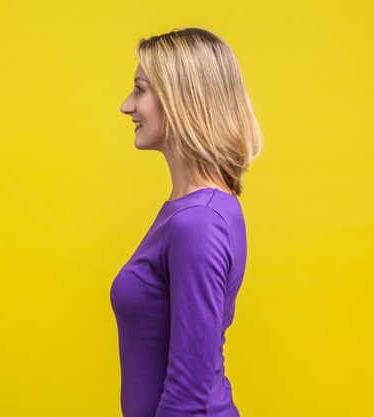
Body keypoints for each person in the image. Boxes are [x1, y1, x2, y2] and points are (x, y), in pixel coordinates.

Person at [110, 27, 263, 417]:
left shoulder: (198, 221)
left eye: (140, 89)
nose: (127, 106)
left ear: (181, 100)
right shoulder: (196, 210)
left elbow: (188, 396)